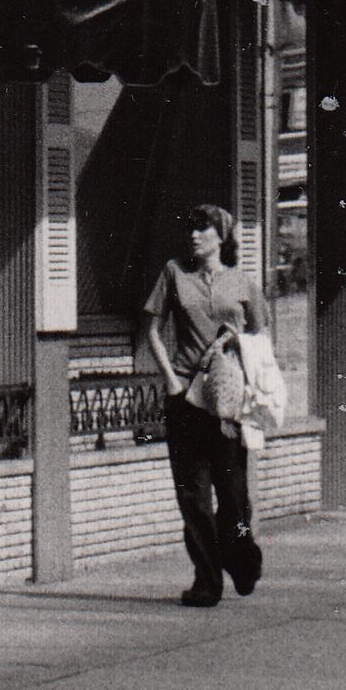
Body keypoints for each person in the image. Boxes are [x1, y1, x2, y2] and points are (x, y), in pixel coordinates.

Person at [143, 202, 268, 608]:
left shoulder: (242, 283)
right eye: (190, 229)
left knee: (234, 495)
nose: (193, 236)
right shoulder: (174, 274)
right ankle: (206, 582)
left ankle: (239, 555)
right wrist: (171, 380)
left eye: (202, 230)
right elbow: (152, 330)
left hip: (227, 400)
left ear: (221, 236)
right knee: (193, 496)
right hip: (186, 398)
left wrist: (238, 341)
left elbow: (262, 340)